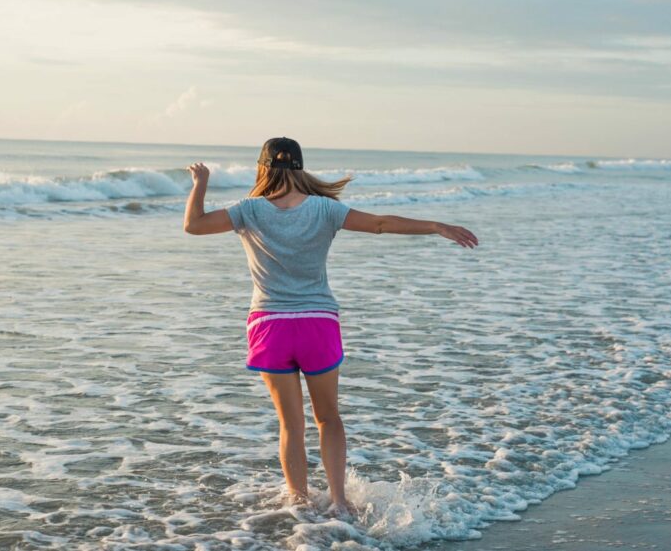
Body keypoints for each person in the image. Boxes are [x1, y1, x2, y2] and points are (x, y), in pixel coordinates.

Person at [182, 136, 478, 519]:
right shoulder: (324, 209)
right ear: (301, 168)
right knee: (328, 418)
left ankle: (299, 503)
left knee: (291, 422)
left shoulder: (248, 211)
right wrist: (436, 225)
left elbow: (194, 225)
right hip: (317, 325)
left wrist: (200, 185)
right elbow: (381, 224)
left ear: (262, 168)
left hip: (269, 326)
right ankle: (339, 501)